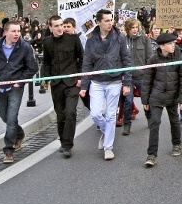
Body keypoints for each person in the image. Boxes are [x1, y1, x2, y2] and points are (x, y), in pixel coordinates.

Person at [81, 9, 132, 161]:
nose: (110, 23)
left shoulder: (119, 38)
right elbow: (87, 63)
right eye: (107, 20)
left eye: (111, 20)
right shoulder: (91, 40)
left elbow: (127, 60)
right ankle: (106, 132)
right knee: (96, 113)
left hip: (115, 81)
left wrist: (127, 82)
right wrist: (84, 85)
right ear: (99, 22)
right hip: (96, 81)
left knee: (111, 116)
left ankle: (108, 147)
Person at [0, 21, 38, 164]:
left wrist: (19, 82)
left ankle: (8, 150)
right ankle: (19, 133)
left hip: (15, 87)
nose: (17, 34)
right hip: (0, 87)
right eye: (13, 31)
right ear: (5, 32)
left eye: (18, 31)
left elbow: (32, 68)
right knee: (5, 117)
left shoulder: (24, 47)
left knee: (12, 116)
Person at [142, 32, 182, 167]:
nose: (173, 45)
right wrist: (145, 100)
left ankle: (176, 144)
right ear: (161, 46)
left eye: (174, 43)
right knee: (154, 123)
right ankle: (151, 154)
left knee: (174, 121)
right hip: (156, 97)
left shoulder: (179, 57)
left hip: (173, 96)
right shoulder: (153, 59)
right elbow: (147, 80)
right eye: (170, 43)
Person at [41, 15, 84, 158]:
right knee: (60, 114)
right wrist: (45, 79)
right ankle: (62, 140)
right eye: (57, 26)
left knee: (70, 112)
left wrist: (80, 77)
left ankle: (68, 145)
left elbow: (82, 58)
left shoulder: (73, 39)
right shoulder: (47, 42)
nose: (60, 28)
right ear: (51, 27)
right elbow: (46, 62)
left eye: (61, 25)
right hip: (56, 83)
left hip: (72, 82)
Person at [123, 18, 153, 135]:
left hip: (142, 76)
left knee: (146, 99)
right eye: (132, 28)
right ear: (128, 29)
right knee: (128, 100)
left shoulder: (145, 40)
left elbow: (150, 58)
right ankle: (127, 124)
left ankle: (149, 118)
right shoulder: (123, 41)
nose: (135, 30)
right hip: (128, 76)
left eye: (136, 27)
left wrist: (149, 73)